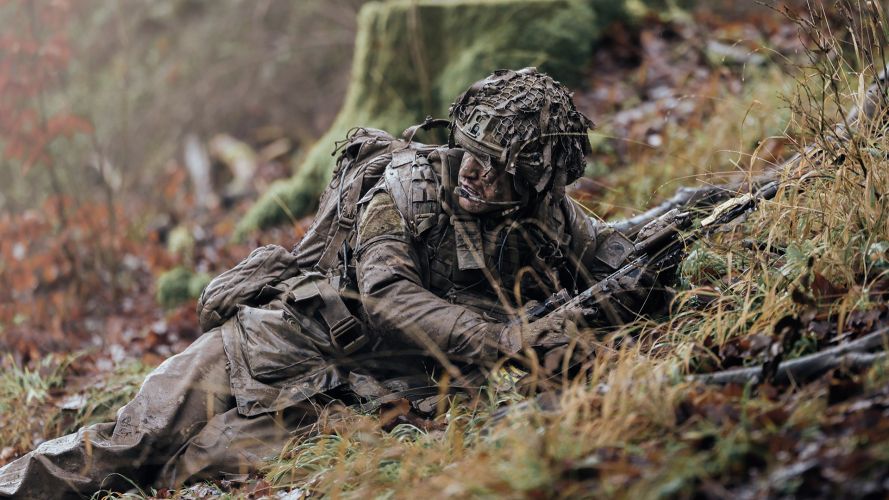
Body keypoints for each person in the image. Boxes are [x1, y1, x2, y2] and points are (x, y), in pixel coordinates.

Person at [0, 68, 672, 498]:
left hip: (358, 395)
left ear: (533, 185)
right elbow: (387, 293)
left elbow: (611, 241)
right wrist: (508, 336)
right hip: (275, 340)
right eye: (475, 153)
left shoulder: (548, 221)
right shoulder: (405, 186)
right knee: (125, 443)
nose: (478, 176)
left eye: (501, 171)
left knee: (182, 474)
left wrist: (719, 204)